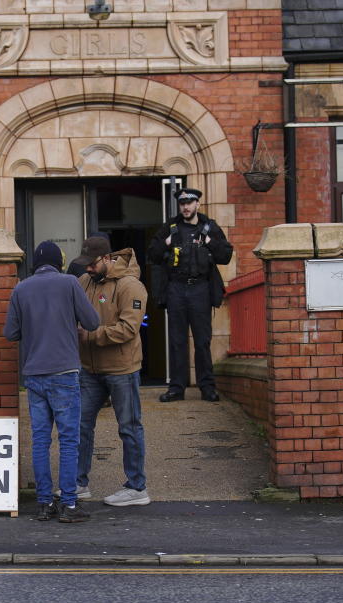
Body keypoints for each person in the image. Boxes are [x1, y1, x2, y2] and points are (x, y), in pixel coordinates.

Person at [3, 241, 100, 523]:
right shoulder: (70, 283)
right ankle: (69, 505)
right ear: (59, 262)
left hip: (34, 375)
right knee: (69, 441)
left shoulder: (21, 289)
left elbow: (10, 332)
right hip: (65, 373)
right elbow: (92, 322)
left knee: (40, 440)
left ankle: (44, 503)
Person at [75, 236, 151, 507]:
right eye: (85, 264)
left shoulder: (130, 285)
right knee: (80, 425)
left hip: (122, 369)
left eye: (92, 264)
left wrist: (90, 336)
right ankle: (78, 483)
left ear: (107, 258)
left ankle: (137, 487)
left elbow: (130, 329)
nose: (88, 269)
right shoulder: (84, 281)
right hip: (89, 370)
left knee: (129, 427)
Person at [148, 188, 233, 403]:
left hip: (200, 289)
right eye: (182, 203)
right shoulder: (171, 227)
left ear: (197, 204)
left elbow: (226, 256)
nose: (186, 206)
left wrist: (210, 242)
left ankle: (207, 387)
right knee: (177, 341)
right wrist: (165, 243)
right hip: (176, 288)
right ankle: (177, 388)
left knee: (202, 341)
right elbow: (152, 255)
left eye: (190, 202)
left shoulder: (209, 227)